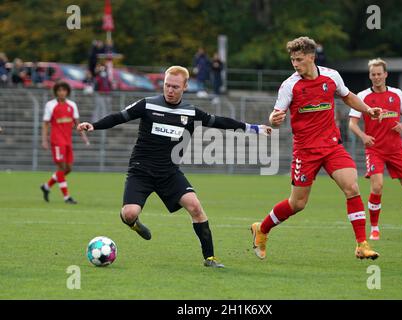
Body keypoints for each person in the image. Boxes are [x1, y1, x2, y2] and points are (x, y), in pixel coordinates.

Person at [77, 66, 271, 268]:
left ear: (185, 87)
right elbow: (119, 116)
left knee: (195, 207)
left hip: (169, 172)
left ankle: (210, 258)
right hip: (141, 170)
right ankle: (133, 223)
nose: (169, 90)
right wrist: (94, 125)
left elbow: (220, 122)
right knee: (129, 213)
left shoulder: (191, 112)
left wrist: (254, 128)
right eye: (167, 85)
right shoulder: (147, 105)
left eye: (175, 87)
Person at [250, 36, 382, 261]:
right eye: (292, 59)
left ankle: (362, 244)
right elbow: (275, 116)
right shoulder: (289, 85)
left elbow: (348, 97)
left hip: (332, 146)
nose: (295, 64)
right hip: (305, 151)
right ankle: (262, 229)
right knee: (297, 203)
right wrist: (274, 119)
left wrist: (368, 110)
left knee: (352, 187)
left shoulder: (331, 76)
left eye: (299, 59)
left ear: (312, 57)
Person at [348, 58, 402, 241]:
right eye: (373, 74)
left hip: (396, 149)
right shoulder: (362, 96)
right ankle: (375, 229)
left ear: (386, 74)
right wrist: (363, 137)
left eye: (379, 74)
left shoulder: (397, 94)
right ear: (370, 76)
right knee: (377, 186)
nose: (376, 77)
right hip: (375, 149)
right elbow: (352, 123)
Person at [40, 81, 90, 204]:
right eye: (59, 90)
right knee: (61, 167)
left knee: (68, 169)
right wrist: (44, 140)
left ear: (67, 92)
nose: (61, 92)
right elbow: (46, 124)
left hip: (68, 141)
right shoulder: (50, 105)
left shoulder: (72, 105)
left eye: (64, 90)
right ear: (56, 92)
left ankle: (47, 186)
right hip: (56, 141)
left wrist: (83, 136)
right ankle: (66, 197)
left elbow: (77, 123)